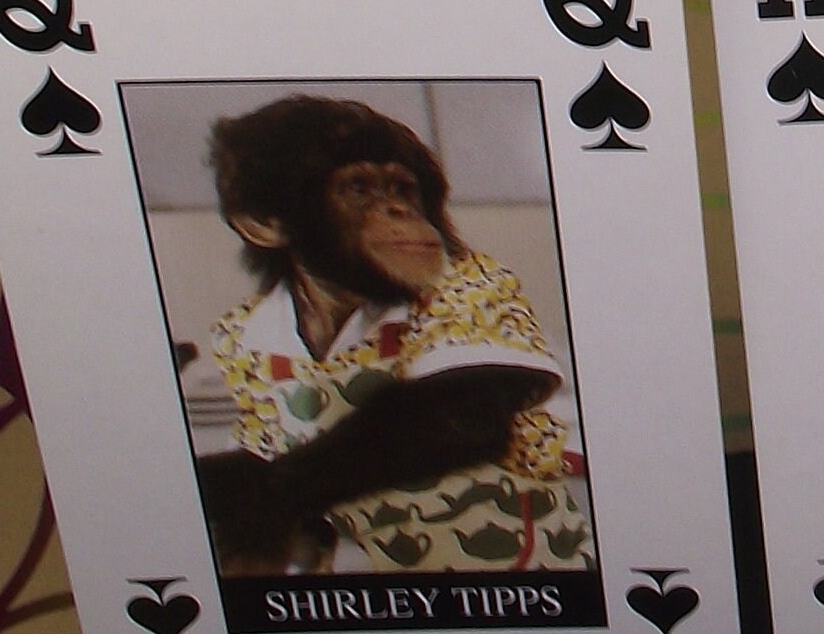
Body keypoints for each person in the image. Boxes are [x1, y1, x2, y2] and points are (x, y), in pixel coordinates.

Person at [194, 94, 594, 576]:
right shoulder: (247, 334)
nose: (398, 212)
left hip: (521, 572)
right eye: (359, 188)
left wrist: (268, 493)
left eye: (403, 190)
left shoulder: (471, 286)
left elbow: (460, 418)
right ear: (265, 224)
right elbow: (277, 463)